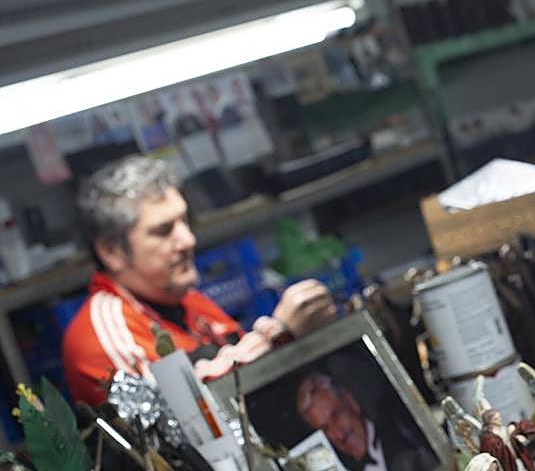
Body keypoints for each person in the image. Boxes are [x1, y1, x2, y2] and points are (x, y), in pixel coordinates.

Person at [63, 155, 336, 406]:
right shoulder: (104, 334)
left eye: (184, 221)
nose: (188, 240)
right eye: (163, 230)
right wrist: (276, 336)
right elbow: (179, 414)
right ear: (112, 251)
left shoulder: (185, 298)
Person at [295, 372, 435, 471]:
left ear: (350, 401)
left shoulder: (404, 429)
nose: (338, 433)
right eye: (325, 428)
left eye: (335, 415)